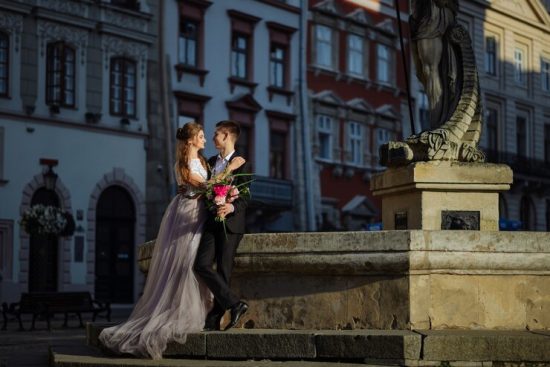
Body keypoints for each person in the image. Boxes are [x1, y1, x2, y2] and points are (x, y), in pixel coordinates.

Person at [98, 122, 245, 360]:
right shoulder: (183, 163)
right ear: (190, 141)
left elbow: (209, 187)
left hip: (203, 214)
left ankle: (211, 310)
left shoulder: (206, 161)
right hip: (189, 214)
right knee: (185, 262)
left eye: (207, 135)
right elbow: (206, 186)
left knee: (195, 263)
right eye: (201, 136)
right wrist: (230, 170)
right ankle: (181, 311)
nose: (205, 139)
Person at [194, 120, 251, 331]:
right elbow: (207, 190)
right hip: (211, 221)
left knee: (225, 270)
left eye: (217, 134)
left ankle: (214, 318)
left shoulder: (243, 162)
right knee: (201, 264)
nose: (213, 137)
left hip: (232, 224)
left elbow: (246, 198)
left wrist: (231, 208)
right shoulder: (210, 162)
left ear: (226, 136)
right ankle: (235, 304)